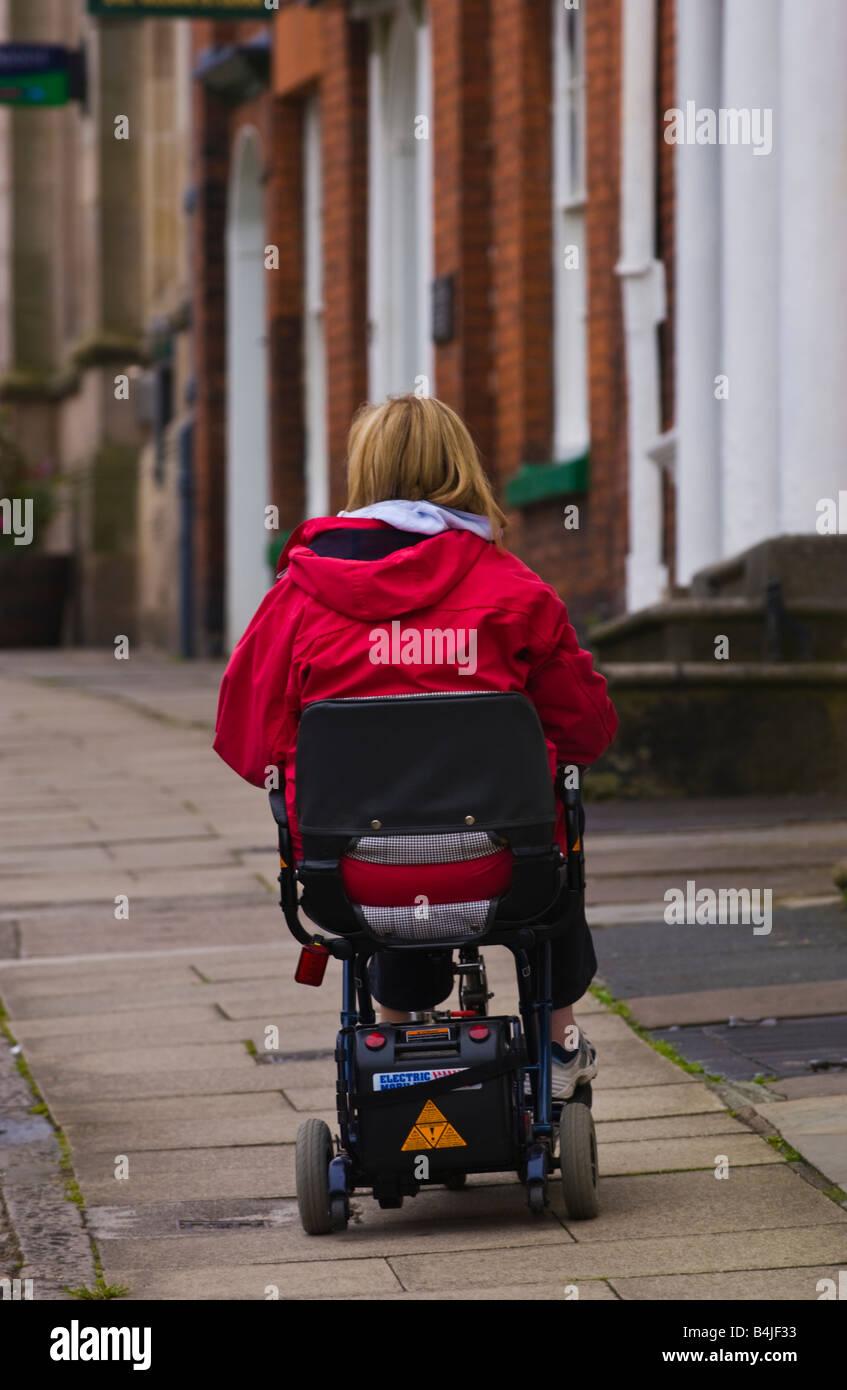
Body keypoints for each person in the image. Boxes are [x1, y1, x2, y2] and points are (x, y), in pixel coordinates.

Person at [213, 394, 618, 1098]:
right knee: (556, 876)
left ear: (363, 474)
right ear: (463, 469)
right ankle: (557, 1052)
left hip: (351, 879)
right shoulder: (513, 590)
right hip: (505, 869)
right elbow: (587, 729)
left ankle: (395, 1044)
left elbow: (249, 744)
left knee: (387, 848)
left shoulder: (299, 597)